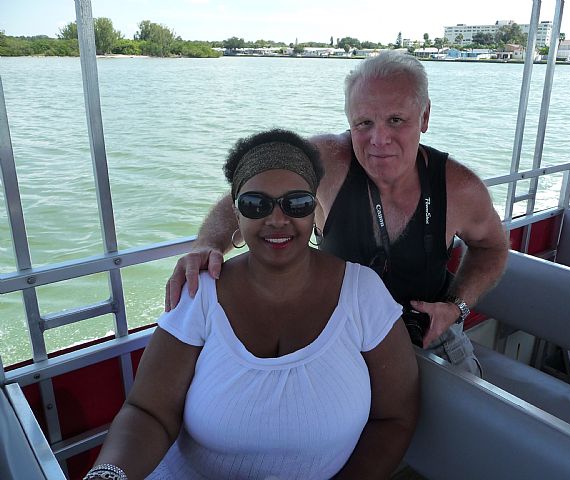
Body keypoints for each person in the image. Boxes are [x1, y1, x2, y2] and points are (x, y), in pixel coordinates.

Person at [84, 129, 419, 480]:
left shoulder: (362, 292)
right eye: (256, 204)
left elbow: (395, 418)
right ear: (236, 215)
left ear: (313, 212)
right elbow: (149, 411)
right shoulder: (200, 291)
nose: (277, 219)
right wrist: (108, 474)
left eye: (297, 203)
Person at [166, 51, 509, 375]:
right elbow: (246, 193)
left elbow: (492, 247)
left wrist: (456, 307)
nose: (379, 139)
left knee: (470, 415)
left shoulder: (458, 187)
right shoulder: (327, 160)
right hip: (335, 335)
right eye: (364, 123)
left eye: (395, 120)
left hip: (430, 339)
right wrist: (207, 244)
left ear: (425, 116)